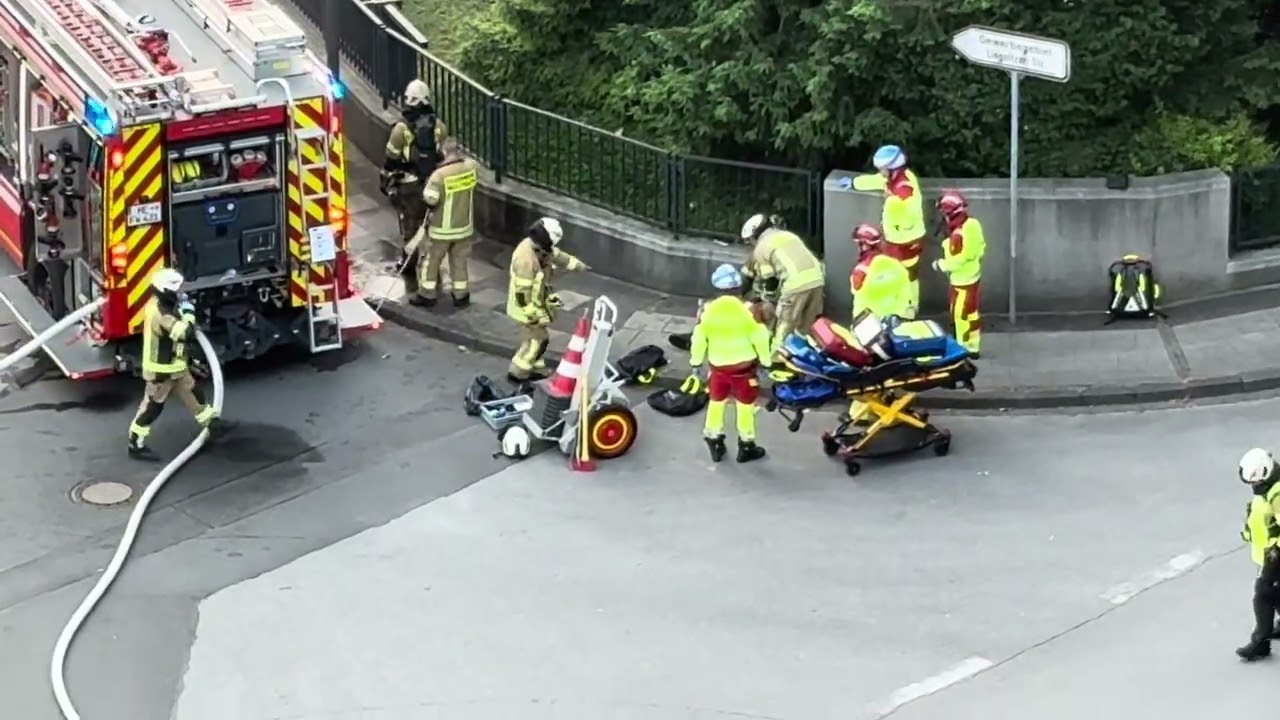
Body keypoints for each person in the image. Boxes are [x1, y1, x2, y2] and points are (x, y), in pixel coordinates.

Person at [127, 269, 232, 460]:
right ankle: (135, 443)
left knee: (194, 394)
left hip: (177, 367)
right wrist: (189, 314)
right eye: (177, 290)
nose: (181, 293)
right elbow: (185, 333)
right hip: (160, 372)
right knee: (152, 408)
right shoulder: (160, 313)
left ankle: (212, 425)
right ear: (165, 291)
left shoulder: (166, 305)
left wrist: (190, 360)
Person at [689, 264, 771, 464]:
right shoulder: (748, 310)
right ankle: (746, 446)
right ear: (738, 288)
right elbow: (760, 337)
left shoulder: (707, 310)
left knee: (716, 403)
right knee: (745, 407)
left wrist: (696, 363)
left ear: (716, 288)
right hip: (743, 371)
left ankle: (714, 440)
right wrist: (766, 363)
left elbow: (698, 338)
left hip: (718, 370)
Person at [382, 79, 447, 295]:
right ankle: (433, 269)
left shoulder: (401, 129)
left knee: (410, 226)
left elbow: (391, 157)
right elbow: (441, 154)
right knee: (431, 227)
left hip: (409, 186)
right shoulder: (439, 126)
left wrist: (387, 179)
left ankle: (409, 265)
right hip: (432, 184)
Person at [506, 217, 588, 382]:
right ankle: (518, 371)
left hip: (534, 303)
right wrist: (533, 314)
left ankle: (535, 367)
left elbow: (558, 256)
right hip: (526, 309)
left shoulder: (538, 247)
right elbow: (522, 294)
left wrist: (577, 265)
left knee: (534, 338)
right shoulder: (525, 260)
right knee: (538, 339)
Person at [739, 213, 825, 362]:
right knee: (805, 325)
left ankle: (776, 360)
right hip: (817, 279)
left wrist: (770, 301)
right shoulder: (788, 236)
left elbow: (770, 281)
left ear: (754, 236)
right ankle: (803, 358)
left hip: (795, 284)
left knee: (785, 324)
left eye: (750, 241)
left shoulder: (761, 248)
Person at [852, 145, 926, 316]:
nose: (881, 172)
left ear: (892, 168)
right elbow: (877, 180)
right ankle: (907, 308)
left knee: (905, 276)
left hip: (905, 240)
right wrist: (855, 183)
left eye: (882, 169)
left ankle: (908, 310)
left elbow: (907, 214)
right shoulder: (897, 178)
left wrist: (892, 201)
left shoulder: (904, 188)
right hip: (900, 239)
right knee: (906, 275)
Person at [407, 137, 478, 308]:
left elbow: (430, 199)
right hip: (464, 227)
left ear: (443, 152)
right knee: (459, 262)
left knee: (430, 262)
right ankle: (461, 296)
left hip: (442, 230)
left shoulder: (439, 175)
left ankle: (427, 295)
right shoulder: (471, 168)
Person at [1236, 448, 1280, 661]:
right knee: (1276, 591)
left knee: (1263, 594)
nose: (1253, 486)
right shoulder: (1269, 489)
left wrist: (1275, 553)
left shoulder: (1277, 495)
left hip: (1275, 554)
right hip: (1268, 552)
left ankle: (1260, 642)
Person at [932, 190, 985, 356]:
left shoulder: (959, 234)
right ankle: (973, 346)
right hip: (971, 278)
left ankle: (961, 349)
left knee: (960, 316)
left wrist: (942, 265)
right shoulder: (972, 225)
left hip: (962, 281)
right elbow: (979, 249)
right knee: (971, 313)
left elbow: (960, 258)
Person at [850, 224, 913, 320]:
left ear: (865, 245)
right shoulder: (896, 265)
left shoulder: (861, 271)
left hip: (869, 322)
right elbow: (906, 292)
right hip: (896, 319)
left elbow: (855, 288)